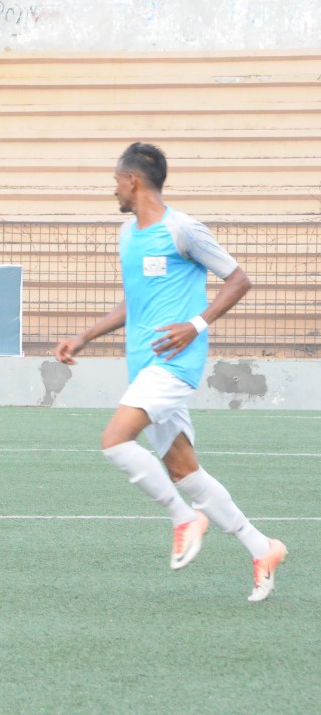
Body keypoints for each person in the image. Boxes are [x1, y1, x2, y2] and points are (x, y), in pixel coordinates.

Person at [54, 142, 287, 602]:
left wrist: (195, 324)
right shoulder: (127, 234)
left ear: (133, 181)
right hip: (143, 366)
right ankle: (263, 548)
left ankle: (183, 519)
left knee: (114, 440)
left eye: (117, 182)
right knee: (184, 471)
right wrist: (84, 336)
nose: (114, 191)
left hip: (175, 365)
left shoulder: (184, 230)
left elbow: (239, 279)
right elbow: (133, 302)